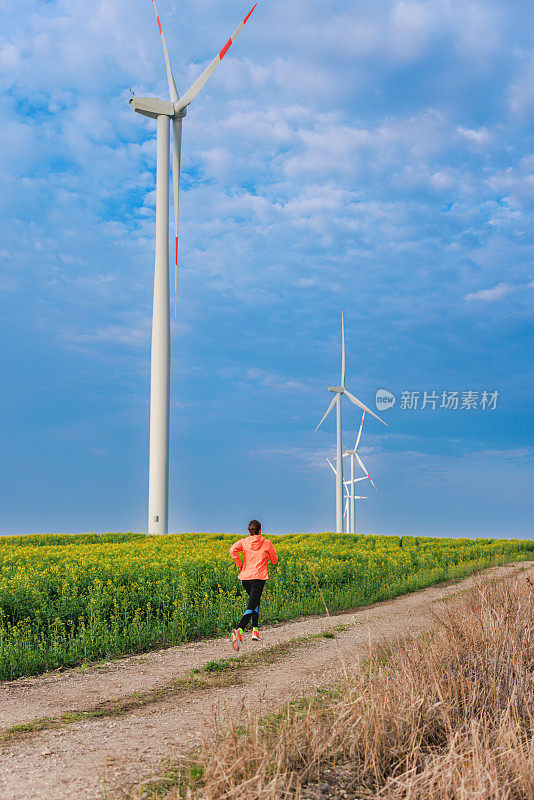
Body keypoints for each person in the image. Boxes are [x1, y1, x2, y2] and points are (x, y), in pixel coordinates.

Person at [229, 519, 278, 650]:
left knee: (255, 602)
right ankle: (239, 630)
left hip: (245, 578)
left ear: (249, 531)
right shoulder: (267, 543)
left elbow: (232, 549)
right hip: (258, 578)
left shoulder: (243, 542)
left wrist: (240, 565)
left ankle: (255, 631)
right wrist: (268, 557)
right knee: (251, 605)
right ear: (260, 530)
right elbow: (274, 561)